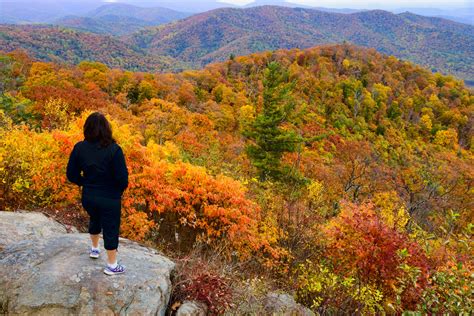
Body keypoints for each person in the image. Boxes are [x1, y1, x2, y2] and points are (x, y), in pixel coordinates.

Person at [66, 112, 128, 275]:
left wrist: (85, 183)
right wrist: (117, 191)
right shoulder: (115, 150)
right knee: (110, 227)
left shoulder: (80, 147)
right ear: (107, 129)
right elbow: (123, 179)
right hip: (110, 197)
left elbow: (71, 174)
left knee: (95, 218)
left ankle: (94, 249)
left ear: (87, 128)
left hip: (89, 197)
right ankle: (112, 266)